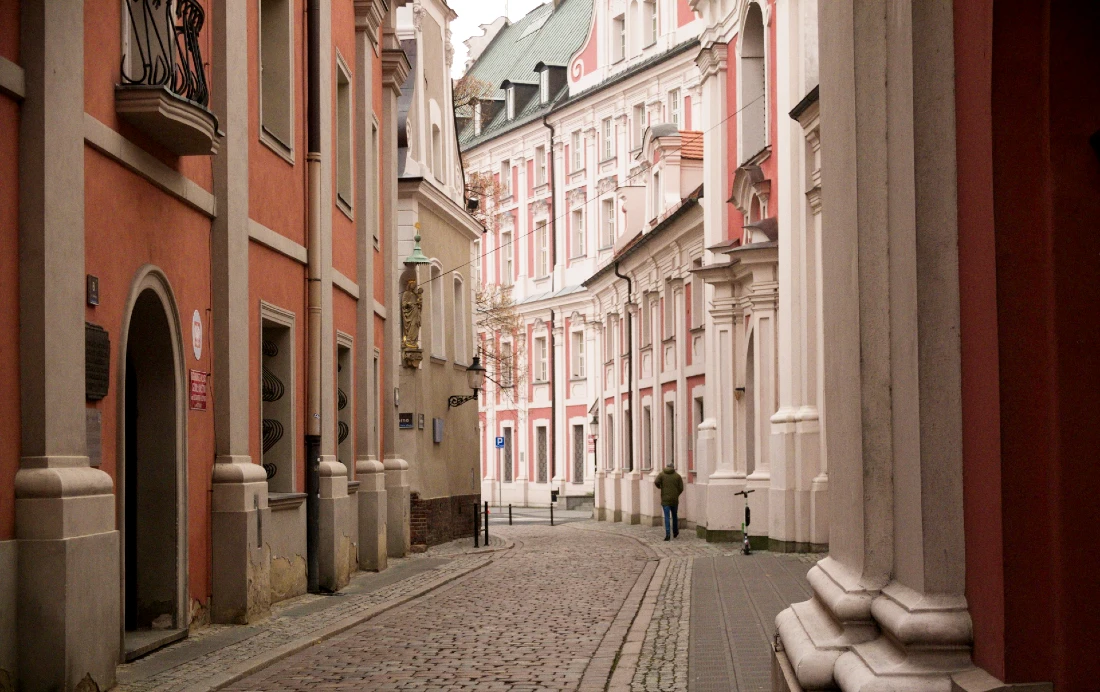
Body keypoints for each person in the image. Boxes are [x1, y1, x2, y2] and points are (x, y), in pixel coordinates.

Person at [654, 462, 684, 541]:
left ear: (666, 467)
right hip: (674, 500)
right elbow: (681, 488)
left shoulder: (662, 474)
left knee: (667, 517)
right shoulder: (677, 476)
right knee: (674, 516)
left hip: (665, 499)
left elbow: (656, 482)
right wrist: (676, 494)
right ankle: (675, 532)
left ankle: (667, 534)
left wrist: (660, 487)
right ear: (673, 467)